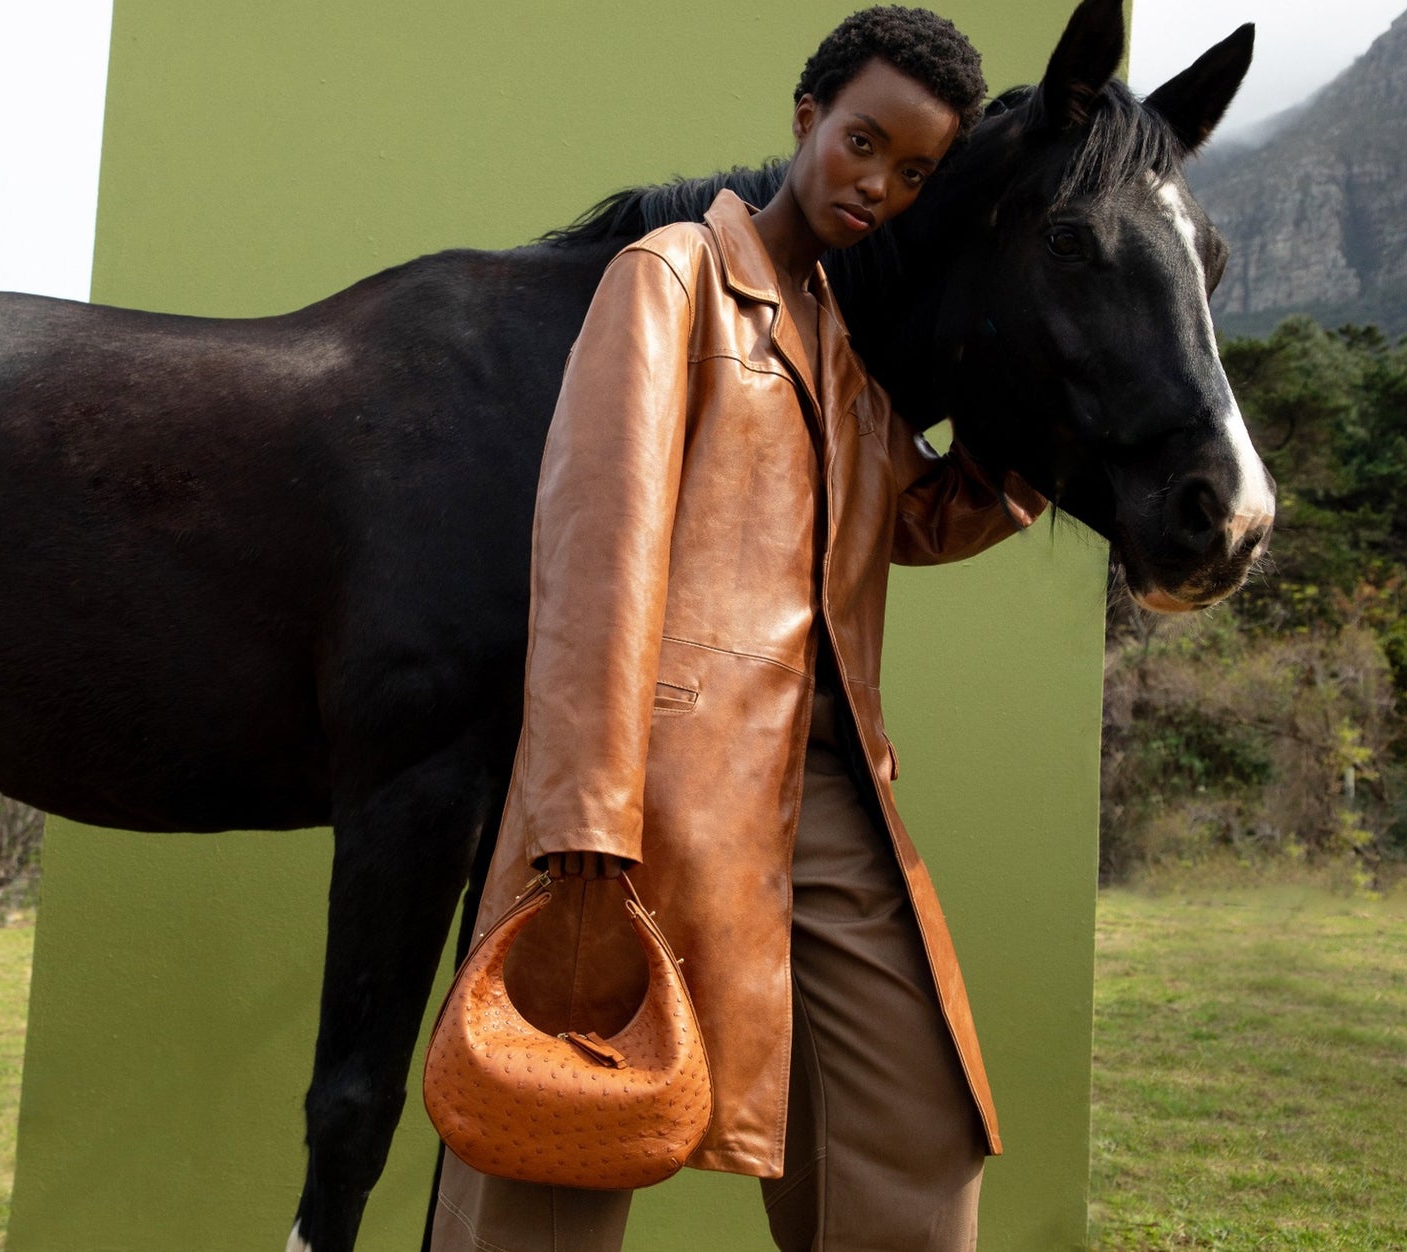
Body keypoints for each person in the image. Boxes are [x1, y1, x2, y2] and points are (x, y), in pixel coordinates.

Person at [428, 7, 1052, 1252]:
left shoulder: (837, 347)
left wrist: (1035, 428)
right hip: (644, 787)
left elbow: (909, 516)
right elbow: (594, 559)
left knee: (916, 1123)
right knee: (559, 1124)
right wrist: (581, 822)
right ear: (806, 119)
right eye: (864, 143)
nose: (879, 186)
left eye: (914, 173)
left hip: (825, 786)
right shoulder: (670, 277)